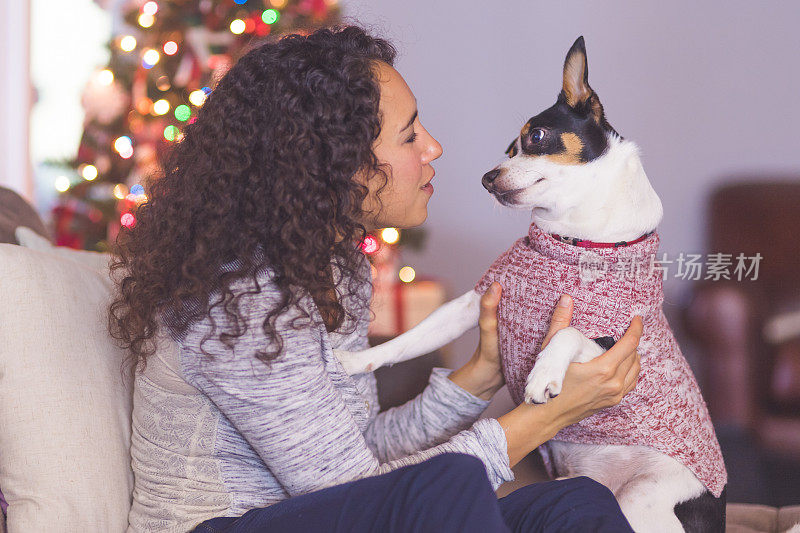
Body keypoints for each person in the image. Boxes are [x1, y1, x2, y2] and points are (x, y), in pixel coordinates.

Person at [109, 26, 642, 533]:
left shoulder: (331, 268)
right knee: (452, 484)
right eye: (410, 135)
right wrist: (546, 417)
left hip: (326, 509)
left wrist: (481, 375)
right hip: (225, 525)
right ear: (338, 163)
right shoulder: (241, 305)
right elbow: (359, 491)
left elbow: (361, 449)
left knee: (576, 502)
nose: (434, 148)